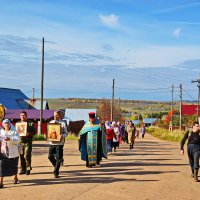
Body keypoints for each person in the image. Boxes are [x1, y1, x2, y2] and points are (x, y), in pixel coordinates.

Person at [0, 119, 20, 188]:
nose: (6, 125)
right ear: (3, 124)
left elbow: (18, 141)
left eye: (7, 123)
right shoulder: (1, 132)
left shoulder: (14, 132)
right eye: (5, 123)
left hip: (13, 152)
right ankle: (1, 182)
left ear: (10, 124)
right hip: (3, 152)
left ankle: (15, 178)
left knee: (14, 166)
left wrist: (10, 139)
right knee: (2, 166)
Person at [48, 110, 68, 178]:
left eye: (56, 115)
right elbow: (49, 132)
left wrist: (62, 136)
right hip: (52, 143)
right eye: (54, 115)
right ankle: (57, 166)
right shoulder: (51, 122)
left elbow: (66, 133)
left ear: (59, 115)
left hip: (59, 143)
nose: (55, 116)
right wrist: (47, 136)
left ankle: (56, 172)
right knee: (50, 157)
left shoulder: (63, 123)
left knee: (59, 158)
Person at [18, 111, 36, 175]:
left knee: (27, 155)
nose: (22, 116)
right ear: (20, 116)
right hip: (20, 142)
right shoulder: (18, 123)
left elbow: (34, 132)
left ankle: (28, 169)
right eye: (21, 115)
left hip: (28, 142)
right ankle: (23, 169)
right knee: (21, 156)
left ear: (26, 116)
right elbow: (16, 132)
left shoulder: (30, 123)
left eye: (24, 115)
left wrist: (29, 133)